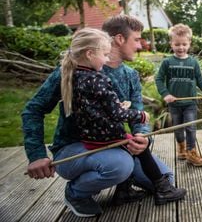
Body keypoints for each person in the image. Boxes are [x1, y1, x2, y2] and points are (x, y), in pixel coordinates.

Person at [22, 15, 178, 218]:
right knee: (121, 165)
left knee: (165, 178)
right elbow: (33, 110)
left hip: (114, 144)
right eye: (137, 39)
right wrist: (36, 155)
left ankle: (124, 184)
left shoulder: (130, 75)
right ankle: (76, 193)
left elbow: (137, 112)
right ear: (120, 39)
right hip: (74, 149)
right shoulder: (71, 71)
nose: (140, 46)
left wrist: (142, 135)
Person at [59, 28, 186, 212]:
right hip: (98, 137)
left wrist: (142, 133)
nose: (106, 58)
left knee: (143, 152)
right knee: (135, 153)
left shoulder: (76, 75)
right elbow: (116, 114)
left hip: (93, 134)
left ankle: (124, 191)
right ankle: (162, 190)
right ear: (90, 54)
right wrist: (140, 115)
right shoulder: (97, 78)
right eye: (104, 54)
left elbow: (95, 106)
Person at [155, 23, 202, 167]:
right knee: (178, 128)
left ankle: (191, 152)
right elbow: (158, 79)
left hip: (190, 103)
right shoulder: (167, 62)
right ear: (171, 43)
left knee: (191, 127)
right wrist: (165, 94)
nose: (181, 47)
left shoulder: (193, 62)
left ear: (189, 43)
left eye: (184, 44)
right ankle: (181, 148)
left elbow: (200, 80)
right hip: (175, 104)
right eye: (177, 44)